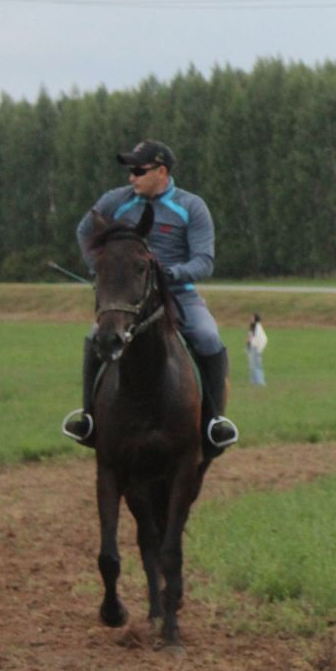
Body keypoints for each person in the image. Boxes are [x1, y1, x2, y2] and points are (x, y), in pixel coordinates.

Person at [68, 139, 237, 459]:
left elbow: (205, 261)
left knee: (207, 336)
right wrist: (100, 271)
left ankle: (214, 422)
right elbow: (83, 230)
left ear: (161, 171)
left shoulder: (191, 207)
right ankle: (89, 419)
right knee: (94, 338)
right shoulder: (114, 201)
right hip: (129, 301)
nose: (131, 177)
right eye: (130, 170)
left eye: (138, 170)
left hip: (179, 296)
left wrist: (170, 274)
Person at [246, 312, 268, 386]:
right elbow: (250, 337)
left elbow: (263, 339)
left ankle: (260, 382)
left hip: (256, 349)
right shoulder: (252, 327)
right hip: (252, 348)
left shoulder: (258, 327)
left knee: (257, 365)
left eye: (252, 317)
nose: (250, 319)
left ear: (256, 319)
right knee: (252, 365)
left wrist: (258, 348)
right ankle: (253, 381)